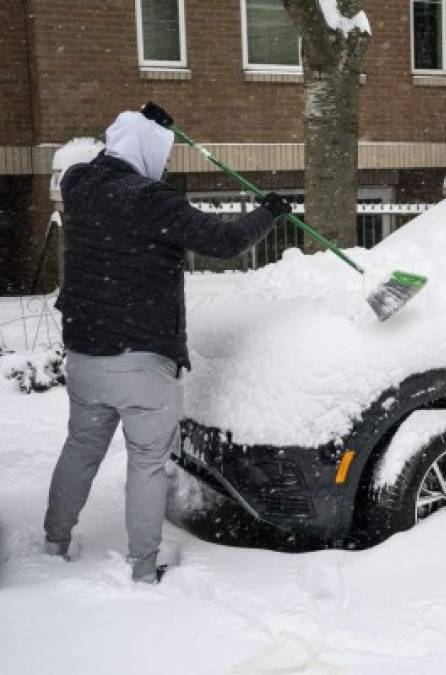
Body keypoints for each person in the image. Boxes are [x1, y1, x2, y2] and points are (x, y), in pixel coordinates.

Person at [43, 110, 292, 583]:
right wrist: (270, 211)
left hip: (85, 354)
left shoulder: (79, 185)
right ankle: (142, 567)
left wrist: (141, 118)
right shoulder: (152, 200)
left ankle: (54, 540)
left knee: (80, 449)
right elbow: (224, 241)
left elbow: (104, 160)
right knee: (147, 464)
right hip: (141, 358)